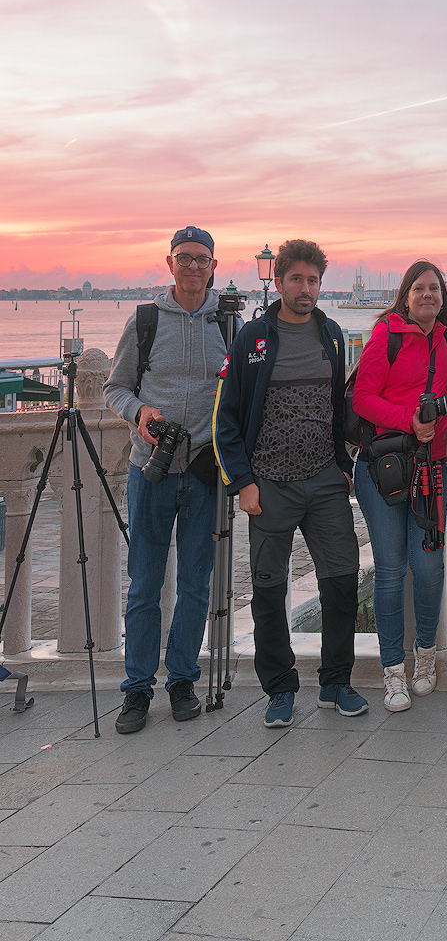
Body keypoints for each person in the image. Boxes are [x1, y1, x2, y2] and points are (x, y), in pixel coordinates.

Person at [213, 239, 365, 729]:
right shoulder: (253, 338)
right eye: (296, 279)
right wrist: (243, 483)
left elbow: (339, 408)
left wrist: (343, 462)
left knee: (341, 581)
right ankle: (278, 688)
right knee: (267, 589)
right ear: (278, 282)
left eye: (313, 280)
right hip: (269, 484)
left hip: (324, 481)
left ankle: (335, 682)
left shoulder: (333, 335)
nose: (305, 288)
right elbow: (227, 418)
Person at [104, 226, 228, 733]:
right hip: (149, 470)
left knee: (196, 585)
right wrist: (139, 414)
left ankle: (182, 679)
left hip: (203, 471)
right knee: (145, 585)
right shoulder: (145, 321)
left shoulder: (231, 321)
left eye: (202, 259)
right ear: (169, 262)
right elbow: (115, 388)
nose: (194, 266)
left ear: (214, 265)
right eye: (185, 258)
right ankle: (136, 690)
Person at [351, 261, 447, 712]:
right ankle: (393, 671)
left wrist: (438, 425)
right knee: (392, 570)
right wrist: (408, 421)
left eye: (435, 289)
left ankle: (426, 661)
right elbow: (363, 397)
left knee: (431, 567)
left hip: (430, 469)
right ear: (406, 294)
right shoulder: (387, 335)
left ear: (443, 296)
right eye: (420, 289)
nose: (428, 296)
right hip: (383, 468)